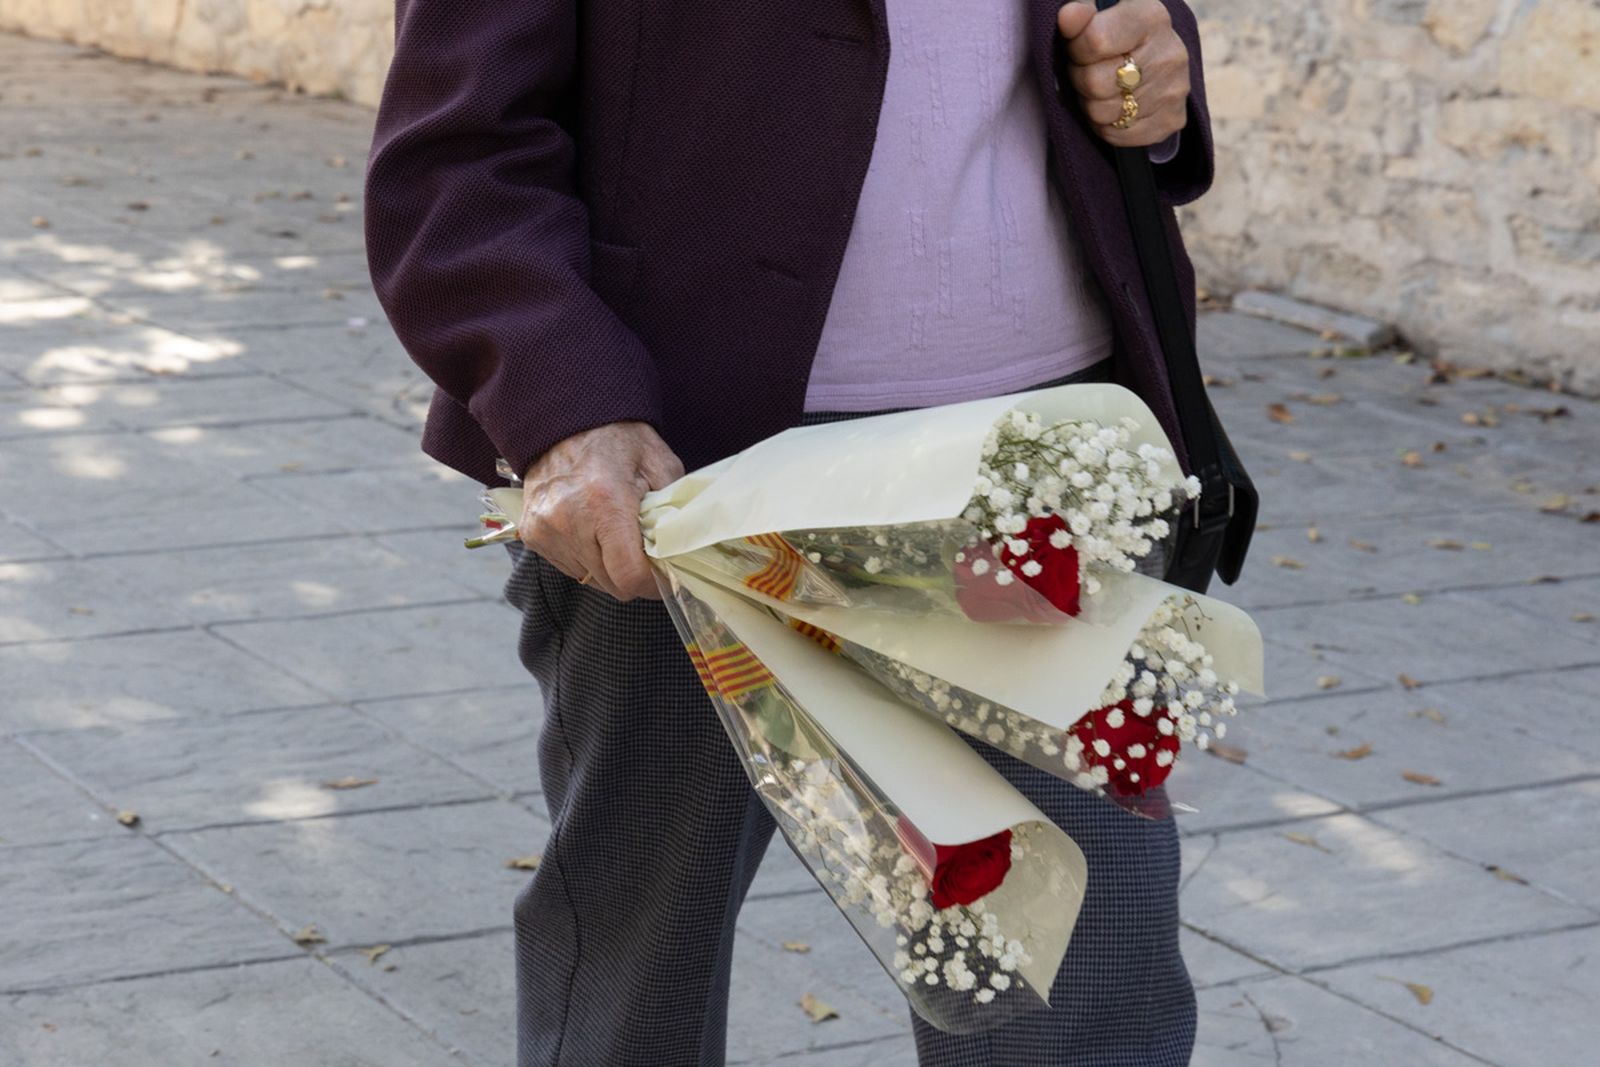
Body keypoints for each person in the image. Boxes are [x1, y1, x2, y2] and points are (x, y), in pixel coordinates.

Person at [365, 1, 1215, 1063]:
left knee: (1087, 973)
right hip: (693, 480)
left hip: (1043, 459)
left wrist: (1147, 64)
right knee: (640, 962)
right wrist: (566, 406)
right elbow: (459, 151)